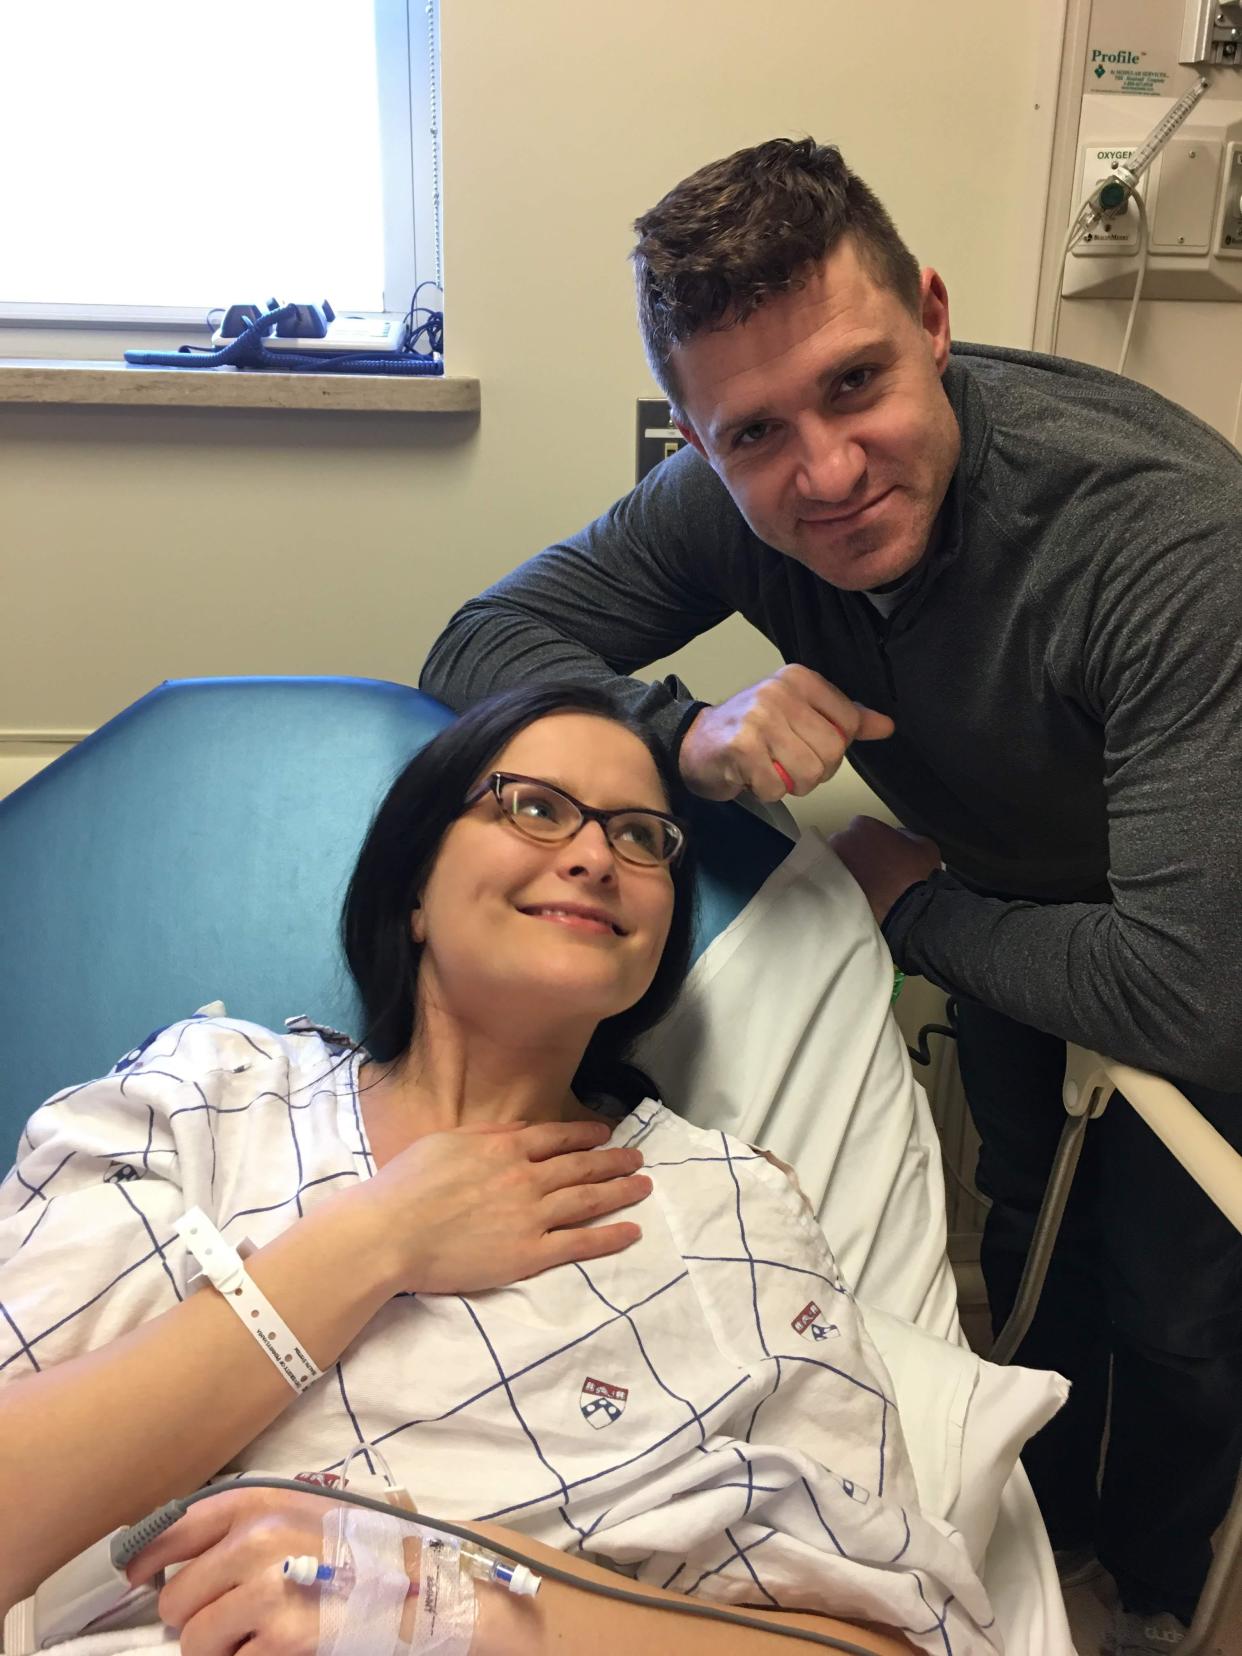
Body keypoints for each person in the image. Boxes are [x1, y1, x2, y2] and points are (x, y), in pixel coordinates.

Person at [419, 138, 1242, 1652]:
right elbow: (475, 646)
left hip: (1198, 924)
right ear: (696, 436)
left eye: (857, 384)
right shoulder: (726, 498)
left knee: (1181, 1311)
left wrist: (905, 902)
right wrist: (691, 732)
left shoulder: (1165, 543)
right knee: (1026, 1230)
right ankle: (1034, 1541)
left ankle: (1152, 1586)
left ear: (931, 317)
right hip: (1008, 896)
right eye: (753, 434)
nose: (826, 472)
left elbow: (1193, 988)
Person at [0, 683, 995, 1656]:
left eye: (643, 836)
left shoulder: (728, 1204)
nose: (598, 856)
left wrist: (447, 1601)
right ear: (414, 889)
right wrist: (374, 1241)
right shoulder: (206, 1102)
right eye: (536, 808)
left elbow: (885, 1637)